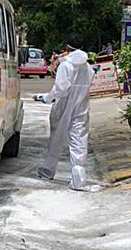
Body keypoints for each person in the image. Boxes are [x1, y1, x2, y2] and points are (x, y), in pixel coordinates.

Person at [35, 49, 100, 192]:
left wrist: (47, 98)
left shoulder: (65, 66)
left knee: (56, 138)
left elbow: (60, 89)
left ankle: (48, 171)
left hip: (63, 106)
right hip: (81, 107)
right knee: (79, 141)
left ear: (67, 49)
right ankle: (78, 180)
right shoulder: (87, 68)